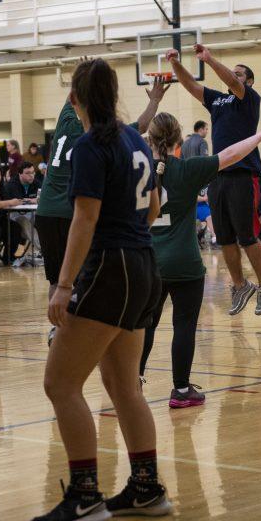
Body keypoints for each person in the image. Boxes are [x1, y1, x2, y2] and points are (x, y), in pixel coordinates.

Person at [35, 58, 170, 521]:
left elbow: (85, 219)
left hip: (111, 268)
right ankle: (147, 488)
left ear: (75, 98)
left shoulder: (90, 145)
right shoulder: (135, 137)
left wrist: (64, 284)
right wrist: (132, 236)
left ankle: (86, 495)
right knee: (122, 385)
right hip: (144, 264)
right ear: (112, 95)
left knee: (60, 383)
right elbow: (153, 204)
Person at [139, 113, 261, 409]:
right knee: (184, 325)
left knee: (146, 324)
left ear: (150, 139)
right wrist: (259, 136)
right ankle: (181, 389)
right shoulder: (189, 169)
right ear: (179, 141)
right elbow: (229, 155)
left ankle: (133, 381)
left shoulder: (137, 169)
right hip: (184, 262)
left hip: (149, 260)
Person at [34, 80, 169, 337]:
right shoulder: (100, 138)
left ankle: (57, 329)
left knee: (57, 279)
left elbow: (71, 96)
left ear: (76, 101)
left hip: (46, 211)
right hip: (75, 215)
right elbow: (140, 127)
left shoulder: (65, 122)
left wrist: (81, 76)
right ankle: (77, 327)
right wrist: (154, 101)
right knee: (84, 277)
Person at [166, 45, 261, 316]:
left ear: (249, 81)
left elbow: (230, 79)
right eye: (235, 72)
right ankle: (240, 285)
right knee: (225, 238)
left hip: (243, 174)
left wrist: (209, 59)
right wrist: (175, 64)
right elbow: (191, 85)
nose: (234, 75)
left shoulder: (249, 98)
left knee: (246, 234)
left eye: (240, 74)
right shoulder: (218, 100)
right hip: (218, 174)